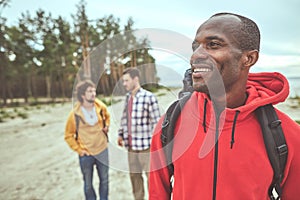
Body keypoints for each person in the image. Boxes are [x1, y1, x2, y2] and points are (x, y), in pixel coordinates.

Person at [149, 12, 300, 200]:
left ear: (249, 58)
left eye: (213, 45)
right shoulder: (172, 121)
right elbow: (157, 194)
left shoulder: (287, 135)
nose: (196, 56)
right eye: (196, 46)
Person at [117, 67, 161, 200]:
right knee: (135, 179)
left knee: (151, 179)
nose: (124, 84)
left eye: (126, 81)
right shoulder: (127, 98)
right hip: (131, 147)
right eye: (123, 81)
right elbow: (125, 119)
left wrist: (156, 146)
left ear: (135, 79)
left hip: (146, 147)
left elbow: (157, 123)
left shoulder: (149, 97)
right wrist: (120, 134)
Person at [65, 80, 110, 200]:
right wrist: (79, 150)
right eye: (90, 91)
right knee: (88, 185)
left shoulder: (100, 107)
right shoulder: (74, 114)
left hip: (102, 151)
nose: (93, 93)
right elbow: (68, 135)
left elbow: (107, 117)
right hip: (86, 155)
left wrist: (106, 127)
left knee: (104, 181)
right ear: (82, 95)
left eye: (94, 90)